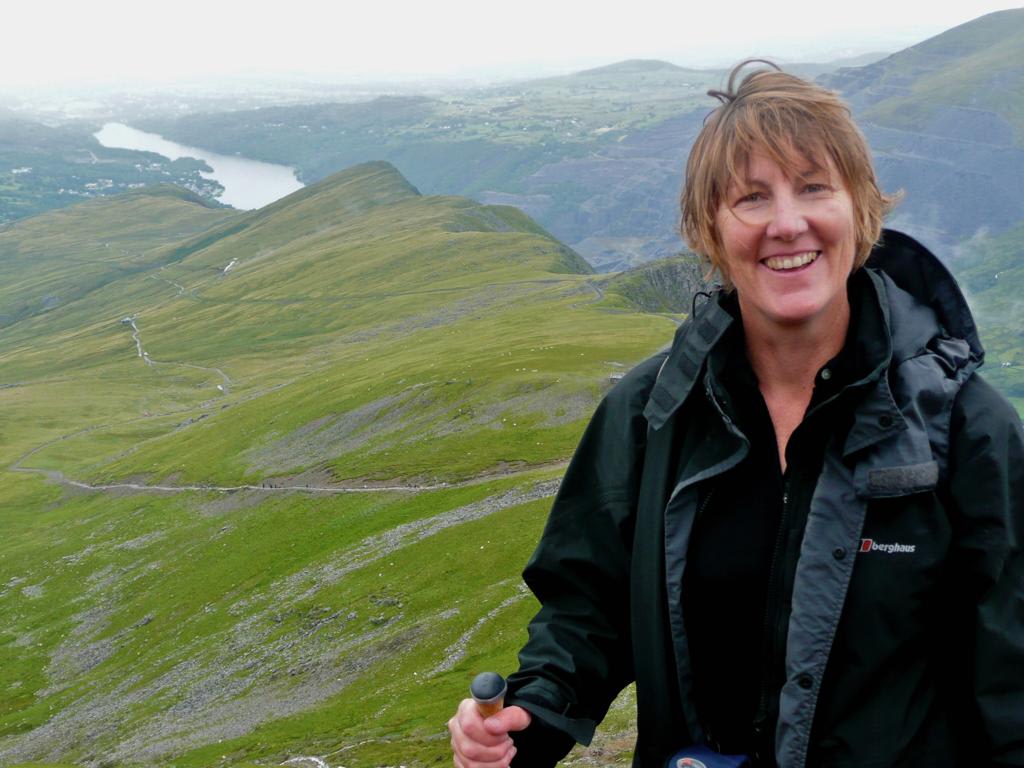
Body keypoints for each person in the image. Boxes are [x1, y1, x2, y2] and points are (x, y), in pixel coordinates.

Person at [448, 61, 1024, 768]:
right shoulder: (652, 411)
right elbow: (587, 608)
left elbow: (1013, 681)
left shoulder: (966, 427)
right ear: (710, 231)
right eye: (750, 198)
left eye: (814, 188)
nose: (788, 223)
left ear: (861, 209)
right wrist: (527, 720)